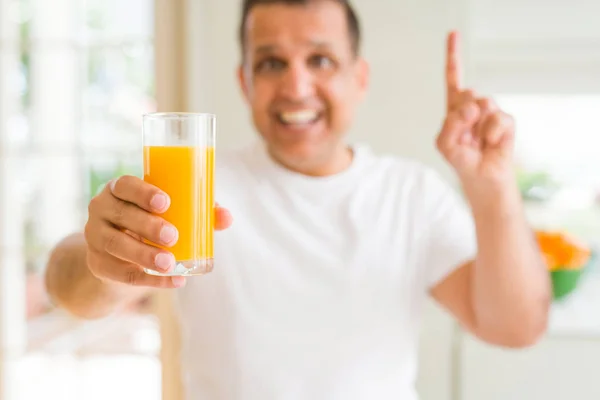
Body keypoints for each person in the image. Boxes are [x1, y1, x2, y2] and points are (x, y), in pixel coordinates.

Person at [45, 0, 552, 398]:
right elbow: (67, 288)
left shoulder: (410, 194)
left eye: (321, 59)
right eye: (270, 63)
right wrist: (103, 258)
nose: (296, 85)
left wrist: (493, 187)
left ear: (360, 79)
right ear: (245, 82)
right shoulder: (197, 188)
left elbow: (516, 325)